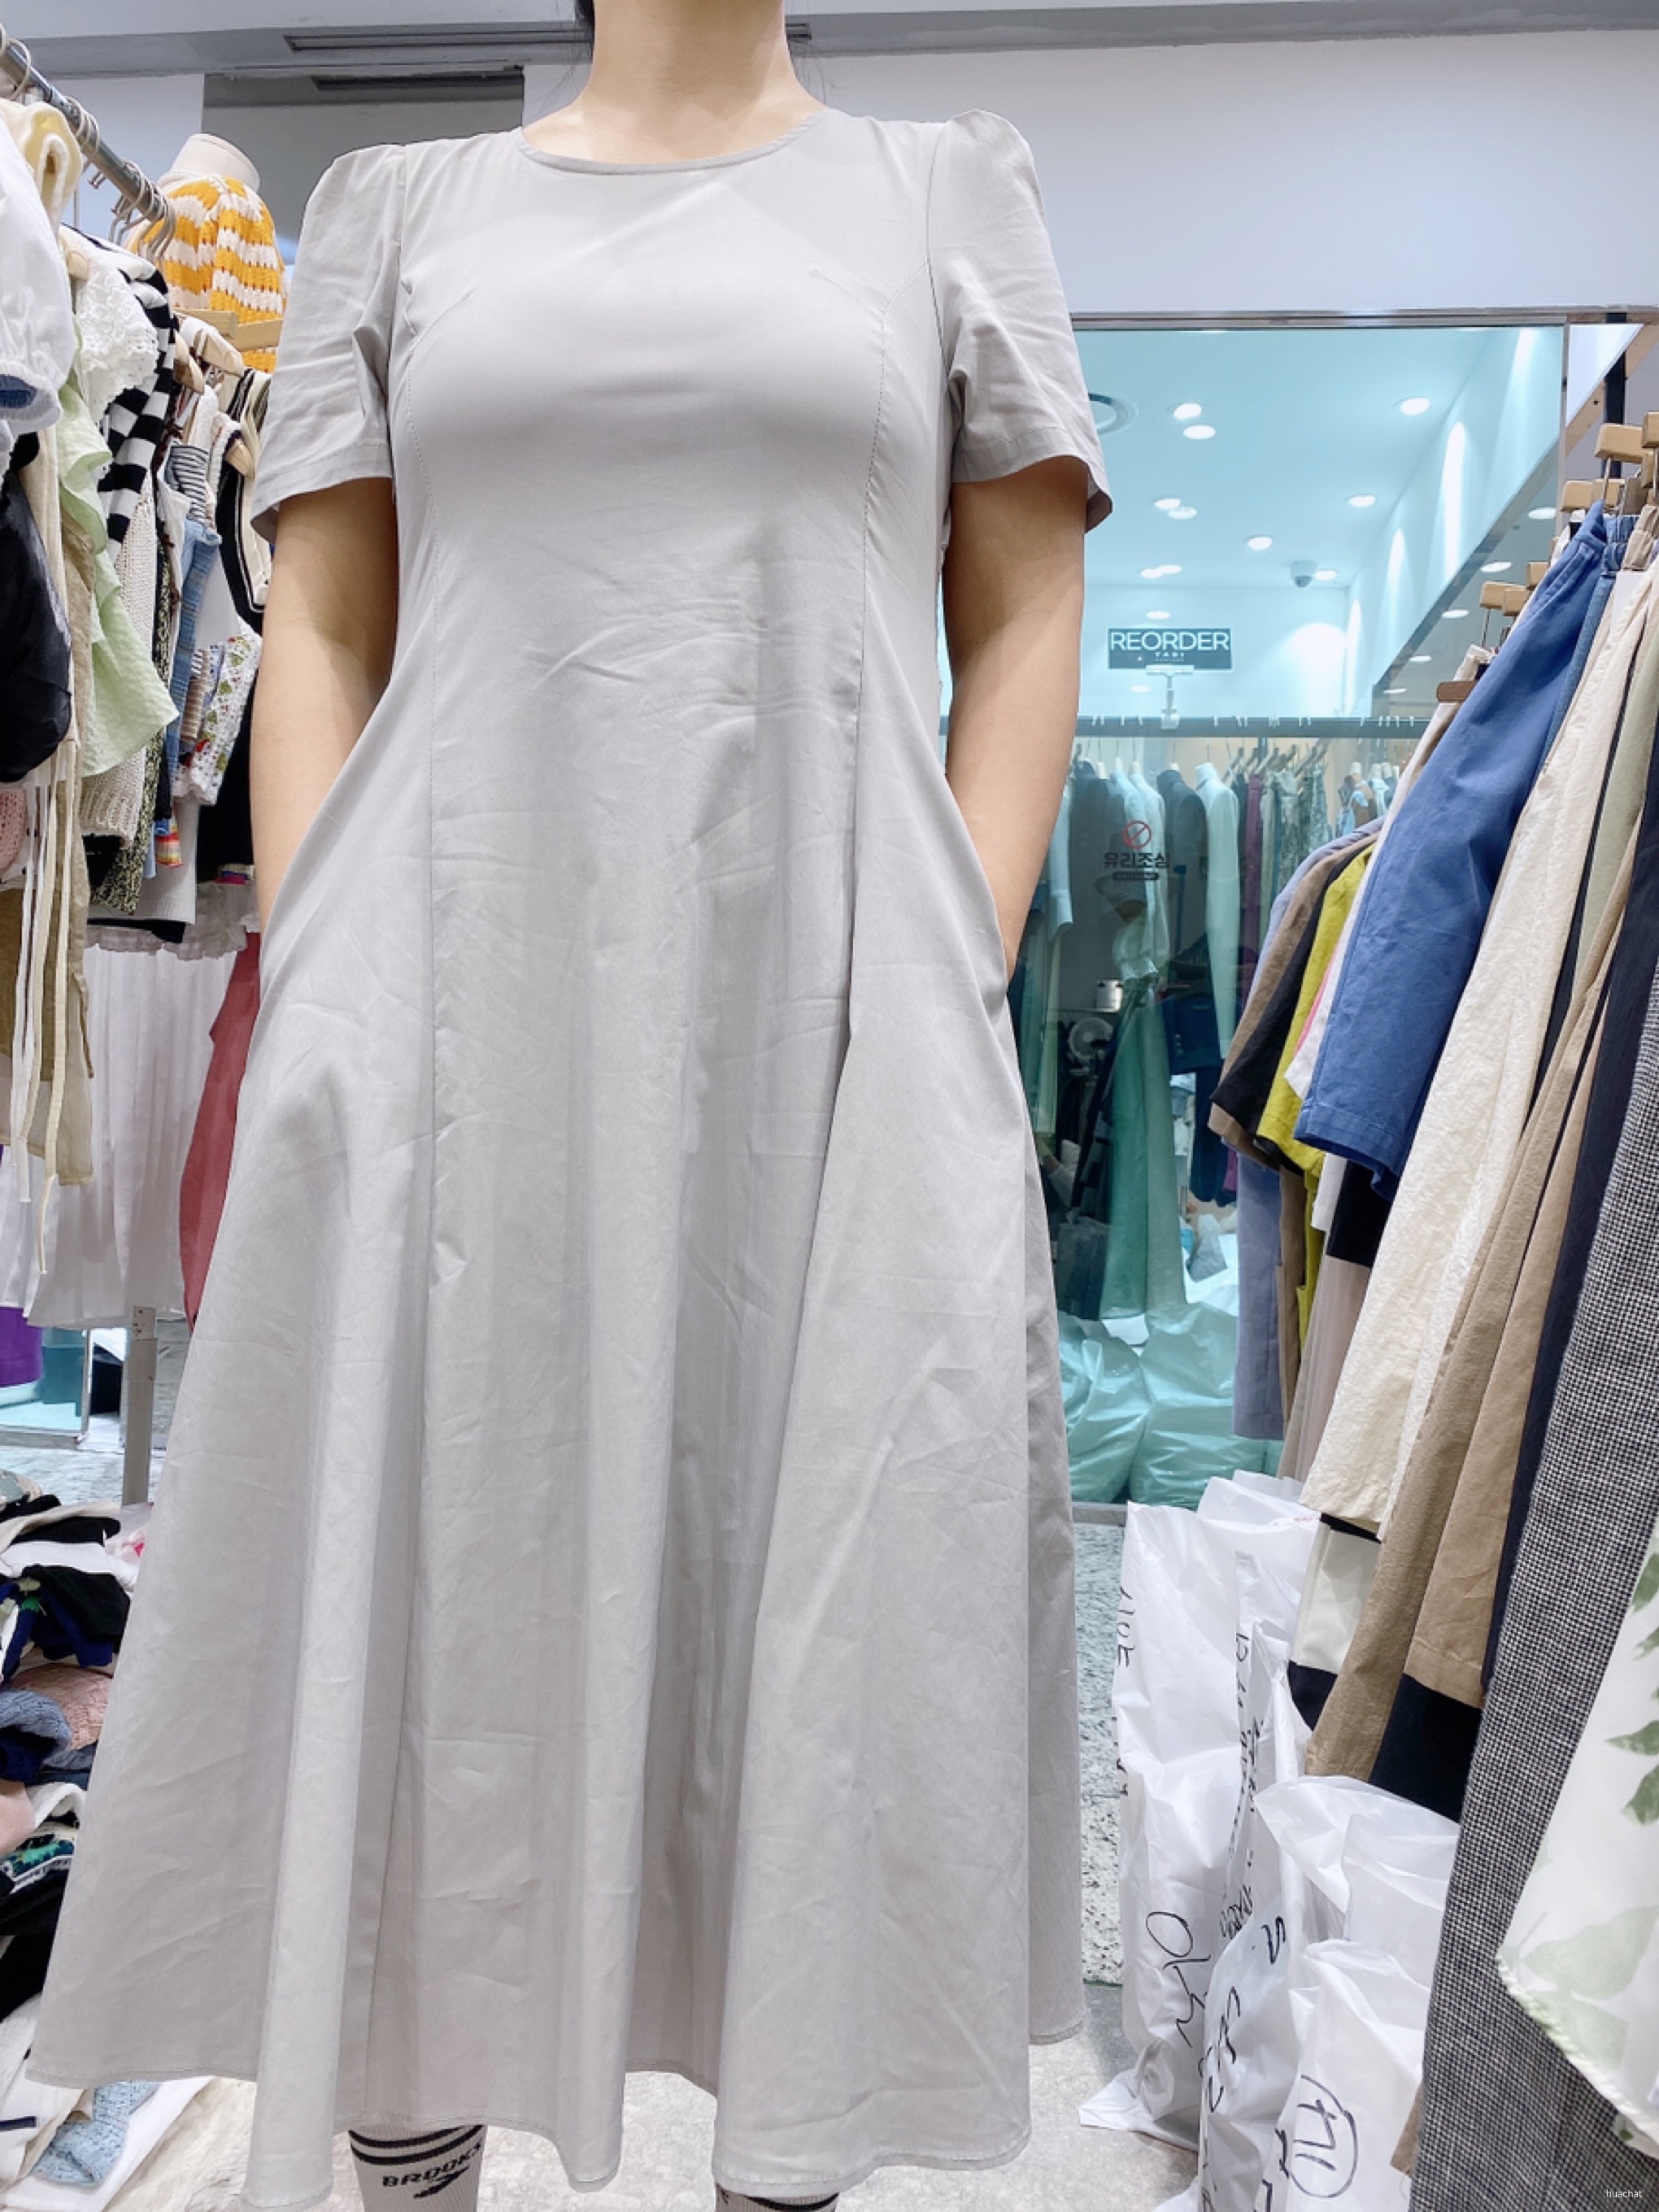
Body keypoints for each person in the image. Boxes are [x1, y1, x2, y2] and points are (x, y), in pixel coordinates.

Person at [30, 0, 1110, 2201]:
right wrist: (325, 964)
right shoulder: (397, 211)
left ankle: (778, 2145)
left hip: (828, 1009)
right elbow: (323, 624)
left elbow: (1022, 612)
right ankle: (411, 2157)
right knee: (434, 1578)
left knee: (825, 1578)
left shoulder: (942, 193)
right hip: (444, 998)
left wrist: (952, 964)